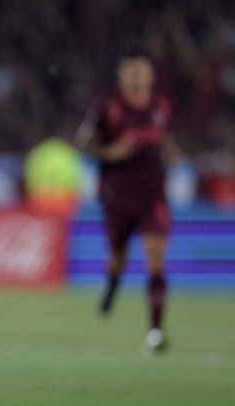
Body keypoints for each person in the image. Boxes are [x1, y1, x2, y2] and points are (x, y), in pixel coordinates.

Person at [77, 48, 183, 353]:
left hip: (153, 194)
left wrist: (174, 153)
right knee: (118, 255)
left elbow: (165, 135)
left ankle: (155, 330)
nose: (137, 76)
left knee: (155, 257)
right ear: (121, 76)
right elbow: (83, 143)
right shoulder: (107, 107)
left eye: (141, 70)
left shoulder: (161, 106)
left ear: (151, 75)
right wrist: (110, 153)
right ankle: (112, 283)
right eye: (131, 70)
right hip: (118, 196)